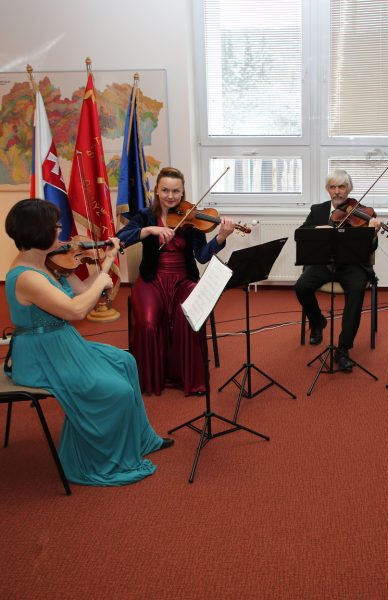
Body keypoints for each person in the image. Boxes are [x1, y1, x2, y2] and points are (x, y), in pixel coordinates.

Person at [4, 199, 170, 486]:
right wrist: (103, 276)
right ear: (39, 231)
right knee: (116, 390)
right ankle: (103, 460)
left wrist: (107, 259)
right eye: (56, 226)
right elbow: (77, 310)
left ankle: (139, 438)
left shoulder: (46, 262)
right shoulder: (27, 277)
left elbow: (82, 290)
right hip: (42, 354)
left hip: (62, 342)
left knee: (125, 361)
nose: (61, 231)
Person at [117, 166, 235, 395]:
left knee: (189, 318)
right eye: (165, 190)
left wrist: (221, 237)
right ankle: (151, 379)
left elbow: (202, 256)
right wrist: (149, 230)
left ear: (182, 192)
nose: (170, 196)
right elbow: (120, 239)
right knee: (148, 323)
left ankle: (188, 379)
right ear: (157, 191)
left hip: (184, 280)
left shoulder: (190, 217)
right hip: (152, 279)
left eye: (176, 191)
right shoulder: (145, 216)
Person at [294, 169, 380, 372]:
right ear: (327, 190)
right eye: (333, 187)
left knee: (357, 290)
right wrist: (317, 230)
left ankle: (343, 348)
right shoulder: (318, 210)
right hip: (323, 263)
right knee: (301, 287)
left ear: (349, 189)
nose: (337, 191)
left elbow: (370, 248)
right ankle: (317, 322)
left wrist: (373, 233)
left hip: (351, 265)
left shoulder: (361, 212)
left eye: (341, 187)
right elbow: (301, 233)